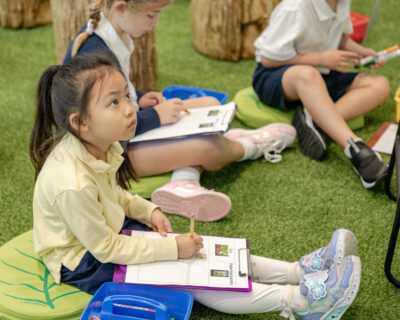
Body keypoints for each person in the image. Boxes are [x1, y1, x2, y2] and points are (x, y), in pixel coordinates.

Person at [31, 54, 360, 319]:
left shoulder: (102, 142)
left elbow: (113, 195)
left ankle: (298, 272)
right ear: (80, 122)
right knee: (195, 277)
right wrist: (174, 249)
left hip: (109, 236)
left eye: (126, 96)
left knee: (209, 251)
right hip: (85, 263)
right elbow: (105, 249)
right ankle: (303, 302)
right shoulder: (72, 184)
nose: (131, 108)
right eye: (114, 103)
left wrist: (149, 209)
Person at [62, 0, 297, 222]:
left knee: (210, 106)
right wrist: (155, 116)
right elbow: (106, 128)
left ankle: (183, 182)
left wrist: (140, 98)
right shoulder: (95, 54)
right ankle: (249, 147)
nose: (155, 23)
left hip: (127, 128)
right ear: (121, 7)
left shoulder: (112, 31)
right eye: (151, 15)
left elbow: (112, 97)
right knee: (208, 147)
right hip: (111, 152)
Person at [252, 0, 391, 189]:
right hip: (277, 77)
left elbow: (338, 37)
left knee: (379, 85)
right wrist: (320, 58)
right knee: (307, 73)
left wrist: (360, 52)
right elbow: (268, 59)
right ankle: (355, 148)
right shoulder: (295, 7)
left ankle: (314, 120)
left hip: (321, 73)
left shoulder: (341, 2)